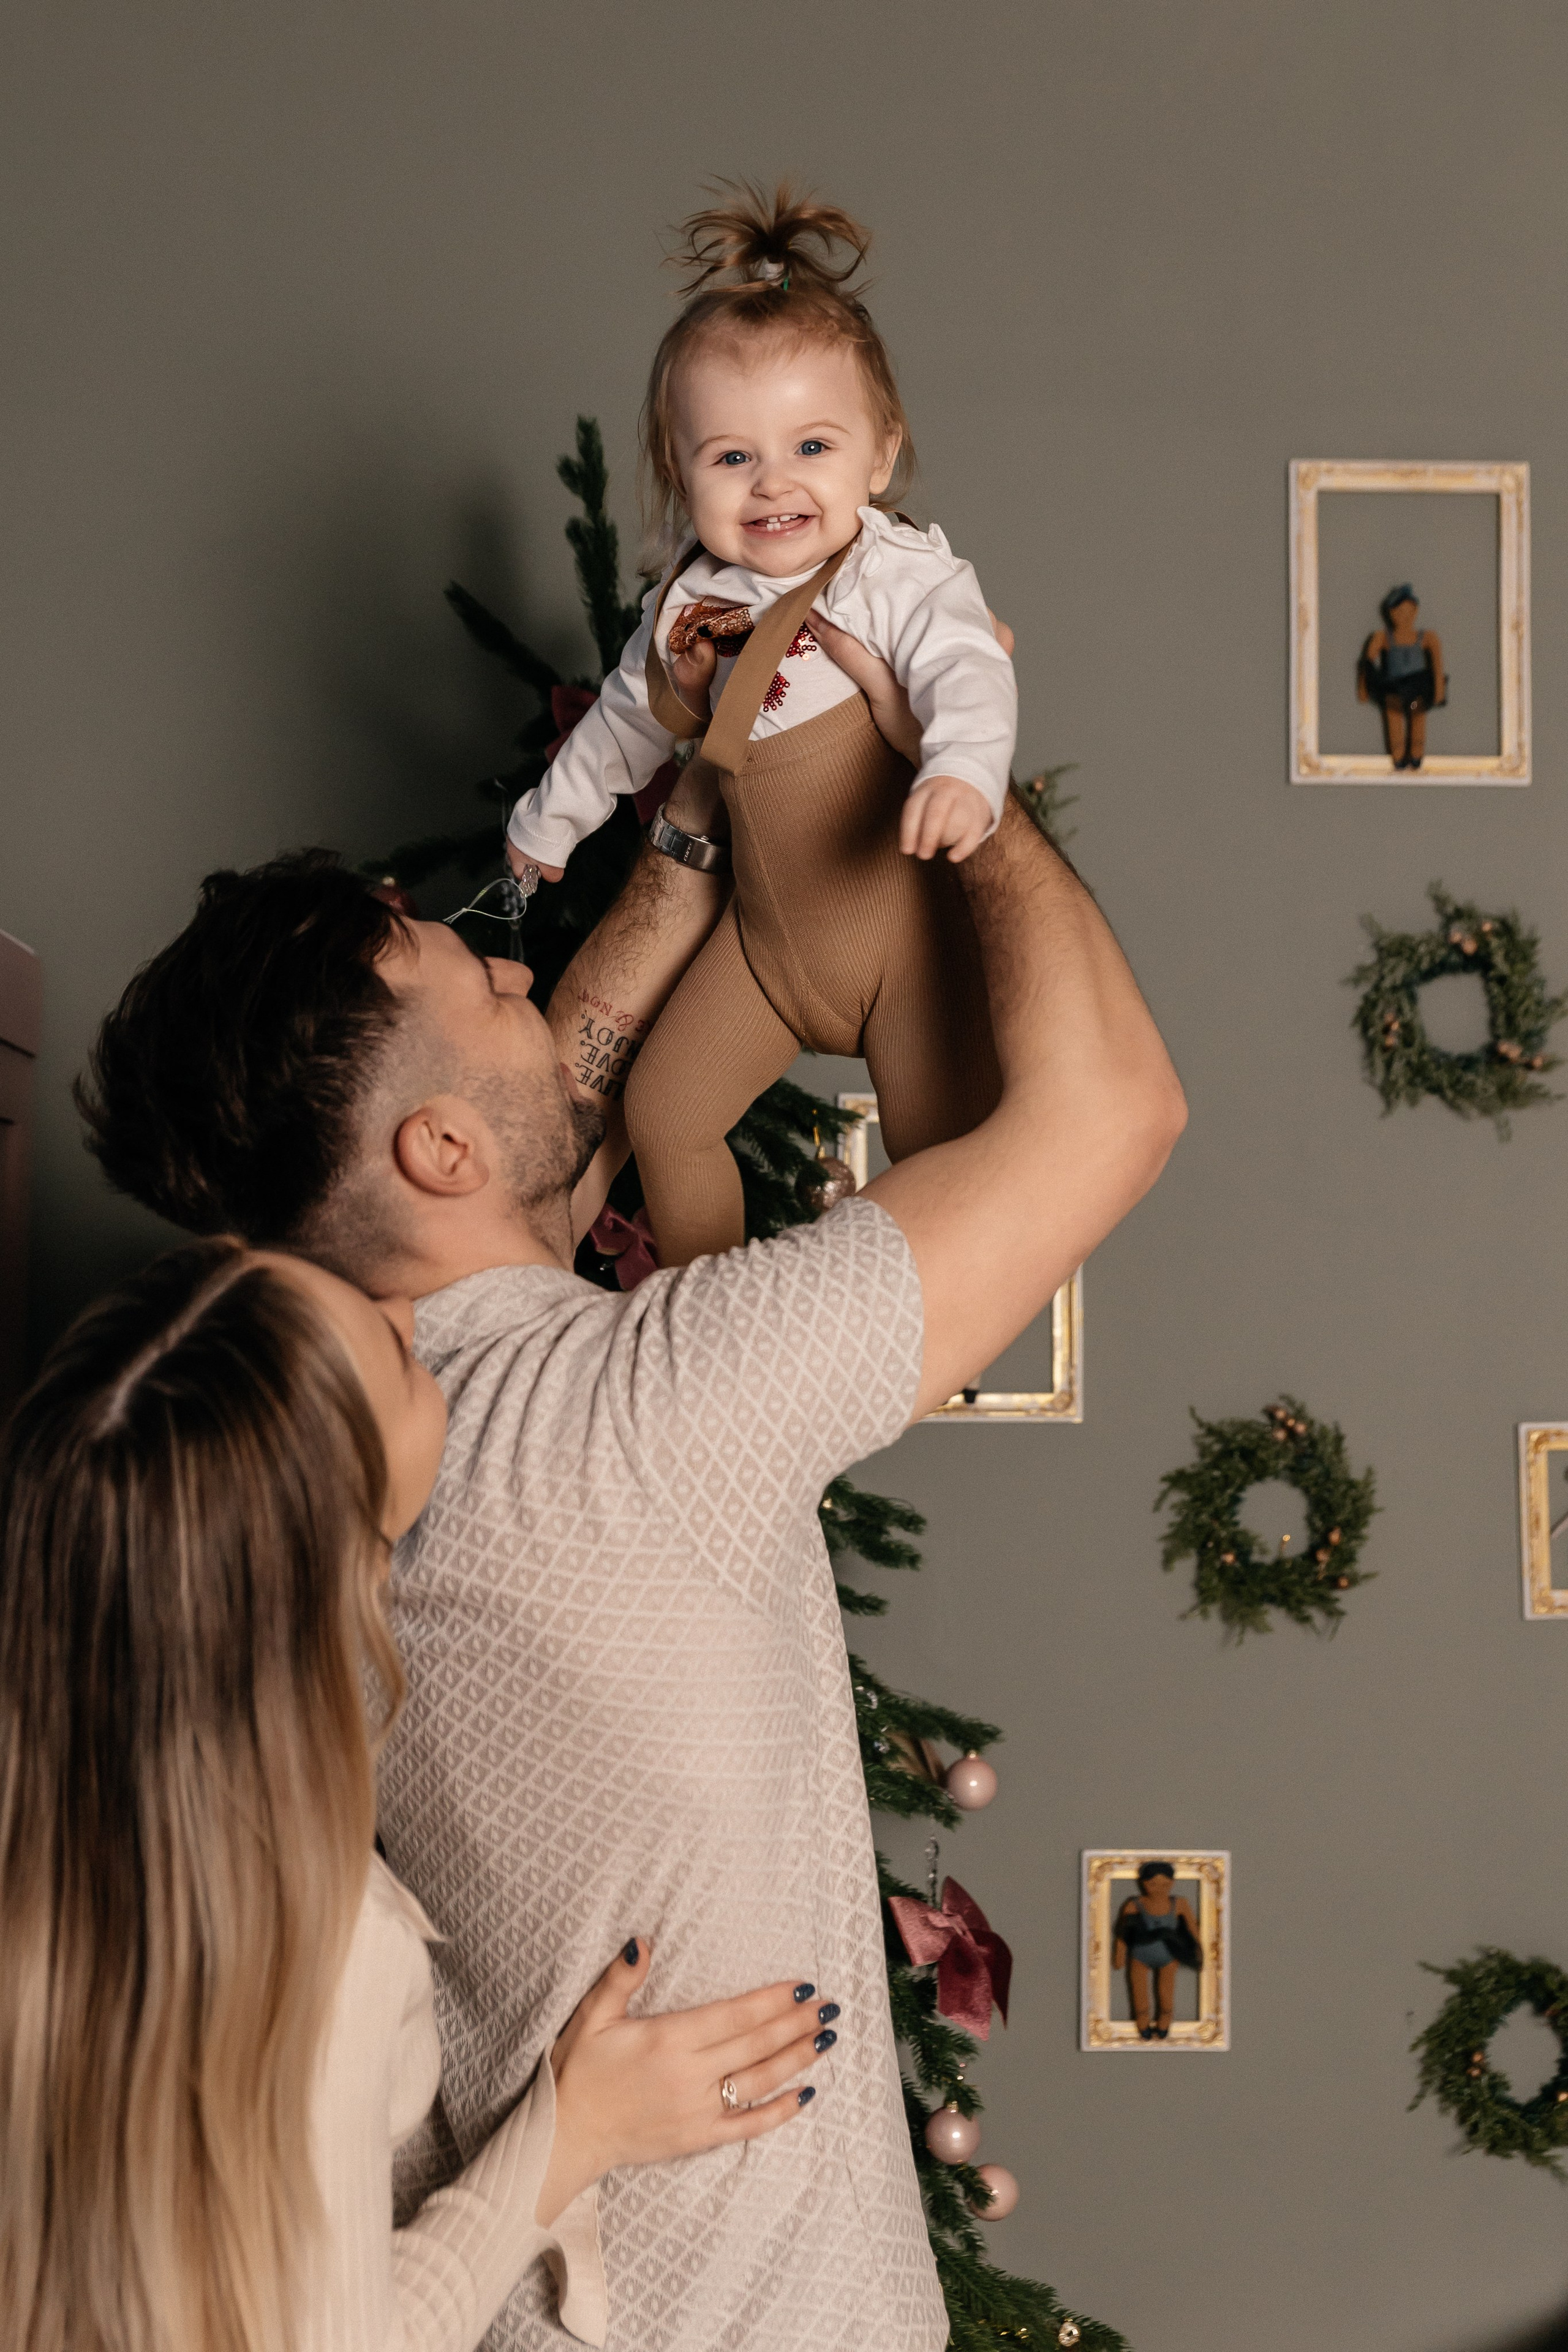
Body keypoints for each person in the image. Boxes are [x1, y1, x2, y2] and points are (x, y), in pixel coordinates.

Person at [77, 634, 1185, 2347]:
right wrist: (954, 779)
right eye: (493, 991)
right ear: (437, 1160)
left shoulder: (316, 1465)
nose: (533, 990)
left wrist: (686, 831)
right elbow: (1118, 1109)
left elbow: (549, 1125)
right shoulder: (644, 1414)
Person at [0, 1237, 835, 2352]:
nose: (404, 1302)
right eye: (398, 1361)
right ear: (344, 1545)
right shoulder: (324, 1947)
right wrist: (566, 2134)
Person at [503, 184, 1016, 1267]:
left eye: (813, 448)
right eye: (731, 458)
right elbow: (625, 724)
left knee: (944, 1170)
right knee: (669, 1115)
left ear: (880, 457)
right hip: (769, 944)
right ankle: (702, 1303)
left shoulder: (898, 578)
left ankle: (936, 1327)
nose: (773, 482)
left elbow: (971, 668)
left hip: (897, 946)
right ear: (683, 479)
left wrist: (963, 769)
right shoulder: (692, 602)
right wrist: (547, 826)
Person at [1356, 583, 1446, 771]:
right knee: (1394, 718)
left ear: (1415, 611)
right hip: (1394, 690)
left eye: (1407, 612)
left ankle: (1416, 754)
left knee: (1417, 717)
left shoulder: (1427, 637)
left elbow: (1437, 666)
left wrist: (1439, 690)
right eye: (1398, 612)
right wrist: (1364, 688)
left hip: (1417, 689)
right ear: (1390, 614)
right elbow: (1367, 663)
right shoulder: (1382, 637)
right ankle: (1398, 755)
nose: (1403, 617)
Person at [1111, 1861, 1202, 2041]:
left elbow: (1193, 1928)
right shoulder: (1135, 1904)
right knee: (1140, 1995)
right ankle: (1143, 2023)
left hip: (1169, 1957)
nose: (1159, 1888)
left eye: (1165, 1884)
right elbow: (1123, 1933)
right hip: (1139, 1957)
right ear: (1143, 1883)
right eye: (1152, 1883)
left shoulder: (1179, 1904)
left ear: (1172, 1883)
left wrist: (1199, 1948)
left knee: (1166, 1996)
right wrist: (1119, 1956)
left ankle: (1164, 2023)